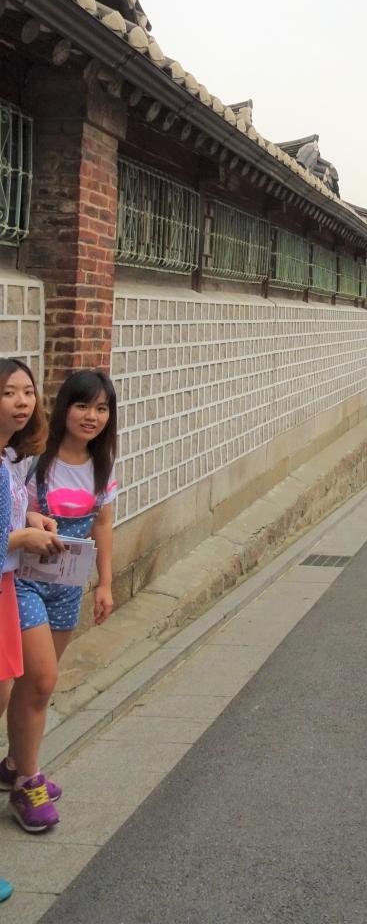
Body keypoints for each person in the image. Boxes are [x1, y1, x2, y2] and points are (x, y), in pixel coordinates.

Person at [5, 370, 118, 834]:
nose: (91, 417)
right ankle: (27, 784)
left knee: (37, 686)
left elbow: (103, 525)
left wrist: (105, 583)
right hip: (25, 581)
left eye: (102, 409)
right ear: (64, 408)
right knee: (42, 677)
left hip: (68, 587)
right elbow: (14, 514)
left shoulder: (103, 465)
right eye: (82, 406)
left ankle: (16, 763)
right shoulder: (34, 460)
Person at [0, 359, 62, 842]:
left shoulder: (9, 458)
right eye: (8, 393)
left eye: (27, 391)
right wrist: (22, 538)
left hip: (10, 587)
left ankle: (23, 773)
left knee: (38, 679)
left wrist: (29, 521)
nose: (22, 402)